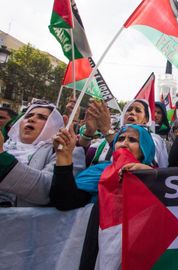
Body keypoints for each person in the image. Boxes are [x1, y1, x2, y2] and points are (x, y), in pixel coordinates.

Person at [50, 124, 155, 269]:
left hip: (141, 251)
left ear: (145, 149)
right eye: (121, 138)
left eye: (132, 140)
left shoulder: (157, 176)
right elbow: (64, 201)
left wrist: (150, 178)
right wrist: (64, 156)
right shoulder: (98, 171)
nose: (124, 143)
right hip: (98, 247)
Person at [0, 102, 84, 206]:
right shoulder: (5, 145)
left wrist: (2, 160)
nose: (31, 119)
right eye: (28, 116)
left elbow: (48, 191)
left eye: (42, 117)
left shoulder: (68, 151)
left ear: (54, 126)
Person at [82, 99, 168, 168]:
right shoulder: (102, 142)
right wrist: (89, 132)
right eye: (129, 110)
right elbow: (80, 158)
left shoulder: (154, 139)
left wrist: (106, 130)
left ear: (146, 119)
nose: (132, 112)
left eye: (138, 110)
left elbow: (147, 166)